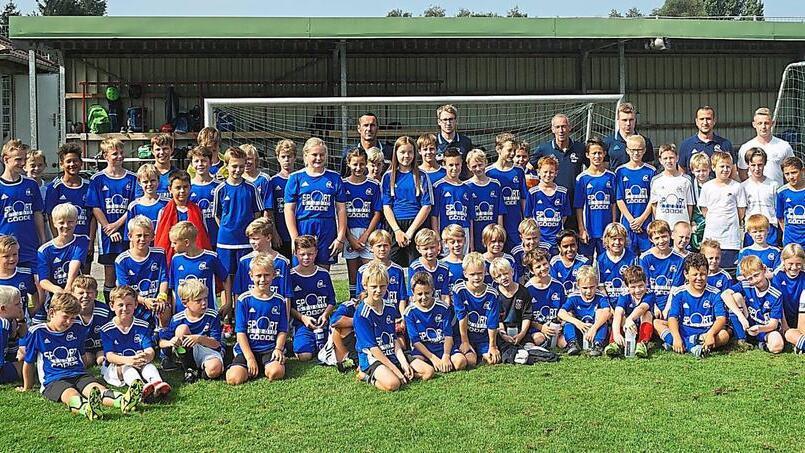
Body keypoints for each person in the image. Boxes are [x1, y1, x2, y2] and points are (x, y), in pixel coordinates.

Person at [19, 293, 142, 420]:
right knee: (70, 393)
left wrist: (85, 372)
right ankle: (86, 409)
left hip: (78, 373)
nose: (69, 322)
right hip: (54, 379)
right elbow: (28, 363)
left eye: (73, 318)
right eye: (65, 317)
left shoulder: (77, 328)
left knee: (95, 388)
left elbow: (81, 354)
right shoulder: (37, 332)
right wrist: (27, 387)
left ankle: (123, 400)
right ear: (52, 313)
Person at [354, 261, 429, 391]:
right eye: (374, 286)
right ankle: (364, 375)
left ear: (387, 285)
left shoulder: (389, 307)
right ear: (365, 285)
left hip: (391, 353)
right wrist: (396, 370)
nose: (379, 290)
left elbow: (393, 339)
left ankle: (402, 374)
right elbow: (374, 349)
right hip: (373, 357)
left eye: (382, 286)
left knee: (428, 371)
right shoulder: (362, 314)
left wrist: (404, 364)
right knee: (393, 384)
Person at [87, 138, 138, 304]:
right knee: (109, 274)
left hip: (127, 232)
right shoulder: (97, 179)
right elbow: (95, 206)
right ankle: (110, 310)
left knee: (129, 272)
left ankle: (130, 307)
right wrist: (108, 228)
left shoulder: (132, 178)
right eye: (114, 153)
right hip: (107, 235)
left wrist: (117, 225)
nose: (119, 157)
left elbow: (133, 206)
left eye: (121, 153)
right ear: (105, 156)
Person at [100, 285, 171, 402]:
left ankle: (157, 383)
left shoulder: (142, 325)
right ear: (112, 306)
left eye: (129, 305)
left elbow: (149, 350)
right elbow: (110, 356)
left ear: (136, 305)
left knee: (148, 365)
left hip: (138, 361)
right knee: (128, 368)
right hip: (116, 366)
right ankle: (140, 388)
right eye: (120, 305)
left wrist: (146, 356)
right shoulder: (107, 329)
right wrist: (129, 360)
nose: (125, 308)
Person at [284, 138, 346, 270]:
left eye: (322, 155)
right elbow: (289, 210)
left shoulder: (334, 178)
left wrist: (340, 237)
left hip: (326, 227)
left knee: (323, 271)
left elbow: (341, 210)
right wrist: (294, 237)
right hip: (303, 226)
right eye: (314, 155)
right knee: (300, 269)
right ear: (306, 155)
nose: (318, 158)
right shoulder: (295, 178)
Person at [226, 254, 288, 385]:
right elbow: (240, 332)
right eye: (258, 275)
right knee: (234, 378)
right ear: (251, 276)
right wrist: (249, 357)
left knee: (276, 372)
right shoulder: (244, 299)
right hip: (248, 349)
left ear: (274, 275)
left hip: (269, 348)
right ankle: (246, 366)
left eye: (267, 275)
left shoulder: (279, 300)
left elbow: (283, 329)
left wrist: (278, 348)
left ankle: (265, 366)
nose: (262, 279)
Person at [661, 253, 730, 358]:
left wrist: (711, 333)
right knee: (657, 323)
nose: (699, 278)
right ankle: (691, 345)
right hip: (684, 331)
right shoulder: (679, 293)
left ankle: (682, 344)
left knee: (724, 335)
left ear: (707, 273)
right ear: (686, 274)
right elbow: (673, 317)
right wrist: (676, 337)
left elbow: (721, 318)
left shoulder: (715, 293)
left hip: (705, 334)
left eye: (703, 274)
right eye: (695, 274)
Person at [159, 279, 224, 383]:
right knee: (182, 329)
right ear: (185, 303)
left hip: (208, 351)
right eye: (198, 301)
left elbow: (216, 344)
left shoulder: (212, 315)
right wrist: (171, 342)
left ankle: (199, 373)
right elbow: (161, 342)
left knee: (214, 369)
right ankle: (188, 368)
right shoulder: (177, 318)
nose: (204, 303)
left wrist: (199, 339)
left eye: (205, 299)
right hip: (188, 351)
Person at [382, 136, 433, 267]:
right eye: (402, 152)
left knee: (417, 266)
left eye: (410, 152)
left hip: (416, 225)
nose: (406, 156)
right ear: (396, 154)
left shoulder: (422, 176)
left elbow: (426, 206)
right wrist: (397, 231)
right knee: (393, 267)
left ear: (415, 154)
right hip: (395, 226)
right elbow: (386, 206)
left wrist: (410, 232)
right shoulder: (388, 177)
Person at [214, 147, 265, 279]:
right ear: (226, 166)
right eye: (234, 166)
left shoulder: (251, 188)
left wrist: (250, 231)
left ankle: (242, 299)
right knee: (226, 276)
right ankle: (228, 301)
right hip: (225, 240)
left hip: (246, 241)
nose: (238, 170)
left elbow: (257, 213)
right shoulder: (220, 189)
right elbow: (217, 215)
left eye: (241, 166)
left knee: (246, 275)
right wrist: (228, 228)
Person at [44, 143, 96, 270]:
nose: (72, 164)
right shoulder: (54, 187)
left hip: (83, 241)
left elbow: (93, 217)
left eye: (75, 161)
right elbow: (51, 217)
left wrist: (91, 241)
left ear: (81, 162)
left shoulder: (89, 186)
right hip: (64, 242)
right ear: (62, 164)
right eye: (68, 161)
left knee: (84, 281)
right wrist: (58, 239)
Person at [404, 271, 465, 373]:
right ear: (412, 293)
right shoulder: (409, 312)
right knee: (417, 364)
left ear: (433, 290)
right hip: (423, 350)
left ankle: (442, 363)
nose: (423, 297)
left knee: (460, 362)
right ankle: (432, 365)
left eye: (427, 293)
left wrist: (446, 356)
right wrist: (433, 358)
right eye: (419, 294)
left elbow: (448, 335)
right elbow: (415, 341)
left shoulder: (443, 307)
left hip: (442, 346)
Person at [530, 114, 588, 221]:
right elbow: (528, 168)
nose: (561, 130)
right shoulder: (544, 149)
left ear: (569, 127)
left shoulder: (580, 148)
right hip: (552, 203)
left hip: (574, 202)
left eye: (564, 126)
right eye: (557, 127)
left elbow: (593, 168)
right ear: (552, 129)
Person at [115, 215, 169, 328]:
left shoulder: (159, 254)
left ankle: (163, 338)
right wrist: (144, 301)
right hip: (135, 302)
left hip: (156, 300)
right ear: (130, 236)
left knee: (165, 308)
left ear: (153, 237)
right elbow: (126, 290)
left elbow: (164, 278)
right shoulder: (122, 260)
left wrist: (162, 297)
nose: (142, 239)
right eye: (138, 235)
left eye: (146, 235)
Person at [721, 256, 784, 353]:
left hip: (764, 328)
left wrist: (760, 328)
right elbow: (725, 294)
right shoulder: (746, 284)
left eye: (756, 275)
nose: (754, 280)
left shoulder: (776, 294)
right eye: (750, 278)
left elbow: (773, 324)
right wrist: (741, 317)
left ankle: (761, 344)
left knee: (777, 345)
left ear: (764, 269)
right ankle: (741, 339)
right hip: (748, 325)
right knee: (736, 296)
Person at [342, 147, 383, 298]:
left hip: (368, 234)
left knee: (369, 272)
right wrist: (349, 238)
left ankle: (370, 301)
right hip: (350, 234)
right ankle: (354, 302)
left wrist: (366, 235)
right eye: (355, 164)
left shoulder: (373, 185)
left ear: (366, 164)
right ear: (348, 164)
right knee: (353, 276)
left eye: (361, 164)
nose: (358, 168)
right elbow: (341, 213)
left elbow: (377, 212)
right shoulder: (343, 184)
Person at [0, 139, 45, 271]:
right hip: (6, 250)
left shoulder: (31, 184)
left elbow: (37, 213)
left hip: (29, 247)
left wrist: (42, 239)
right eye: (18, 159)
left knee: (37, 287)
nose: (22, 163)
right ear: (5, 159)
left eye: (24, 159)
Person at [290, 235, 336, 361]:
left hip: (323, 321)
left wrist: (325, 315)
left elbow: (332, 300)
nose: (306, 258)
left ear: (316, 253)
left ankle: (322, 342)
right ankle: (299, 341)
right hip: (302, 323)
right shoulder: (290, 276)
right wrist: (303, 318)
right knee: (304, 356)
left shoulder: (323, 274)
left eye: (310, 254)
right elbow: (288, 306)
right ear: (296, 253)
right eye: (302, 254)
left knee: (338, 348)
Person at [168, 221, 229, 314]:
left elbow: (225, 277)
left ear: (186, 242)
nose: (172, 246)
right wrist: (173, 312)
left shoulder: (210, 257)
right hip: (182, 313)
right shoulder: (176, 260)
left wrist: (228, 302)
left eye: (174, 243)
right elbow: (173, 289)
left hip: (208, 312)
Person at [698, 151, 747, 266]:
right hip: (712, 236)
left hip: (730, 240)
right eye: (722, 166)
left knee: (729, 271)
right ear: (713, 167)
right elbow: (704, 210)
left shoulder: (737, 187)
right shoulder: (707, 187)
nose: (725, 169)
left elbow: (741, 211)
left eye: (728, 166)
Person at [452, 252, 501, 366]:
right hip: (465, 335)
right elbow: (462, 316)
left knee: (493, 360)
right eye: (472, 274)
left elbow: (492, 322)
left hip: (483, 337)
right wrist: (464, 341)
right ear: (465, 274)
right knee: (470, 361)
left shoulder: (492, 294)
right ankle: (471, 350)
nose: (476, 277)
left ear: (485, 271)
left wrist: (492, 346)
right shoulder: (459, 290)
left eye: (479, 273)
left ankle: (482, 352)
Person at [154, 170, 212, 265]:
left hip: (193, 257)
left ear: (190, 188)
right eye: (178, 187)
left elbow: (203, 235)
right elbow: (159, 237)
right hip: (171, 259)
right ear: (170, 189)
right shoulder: (163, 212)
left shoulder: (198, 211)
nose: (182, 191)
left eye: (185, 187)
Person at [232, 218, 292, 308]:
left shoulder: (282, 262)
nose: (252, 242)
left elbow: (286, 296)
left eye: (256, 239)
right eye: (250, 239)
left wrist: (285, 320)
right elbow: (238, 293)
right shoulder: (244, 262)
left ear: (268, 237)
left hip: (274, 313)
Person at [36, 203, 89, 299]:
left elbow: (75, 263)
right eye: (61, 222)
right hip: (55, 293)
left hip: (75, 291)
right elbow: (43, 281)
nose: (66, 225)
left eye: (70, 222)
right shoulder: (44, 250)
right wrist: (58, 290)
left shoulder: (82, 240)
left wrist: (68, 287)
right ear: (54, 223)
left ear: (76, 221)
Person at [574, 138, 616, 259]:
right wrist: (582, 229)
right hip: (589, 230)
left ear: (604, 154)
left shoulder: (611, 176)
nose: (597, 156)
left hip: (606, 230)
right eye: (594, 153)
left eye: (599, 153)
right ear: (587, 155)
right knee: (586, 262)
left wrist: (612, 225)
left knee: (606, 261)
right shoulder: (582, 178)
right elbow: (579, 206)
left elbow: (613, 204)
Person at [486, 133, 527, 252]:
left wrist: (525, 219)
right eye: (509, 150)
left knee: (516, 253)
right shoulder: (489, 172)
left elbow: (523, 197)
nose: (513, 154)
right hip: (496, 222)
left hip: (515, 221)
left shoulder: (518, 171)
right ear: (498, 149)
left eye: (514, 150)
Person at [558, 265, 611, 356]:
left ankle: (598, 345)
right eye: (585, 288)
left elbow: (608, 312)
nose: (589, 291)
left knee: (602, 316)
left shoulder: (600, 296)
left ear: (596, 284)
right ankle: (572, 344)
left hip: (594, 329)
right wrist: (577, 323)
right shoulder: (573, 297)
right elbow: (561, 313)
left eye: (592, 287)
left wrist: (594, 328)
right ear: (578, 285)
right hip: (580, 328)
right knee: (568, 319)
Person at [603, 265, 654, 358]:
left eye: (641, 286)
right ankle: (614, 343)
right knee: (621, 317)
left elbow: (642, 308)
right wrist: (617, 333)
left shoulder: (649, 294)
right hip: (626, 327)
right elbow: (618, 313)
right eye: (633, 287)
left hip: (641, 325)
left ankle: (642, 343)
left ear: (646, 283)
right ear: (627, 287)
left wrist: (630, 319)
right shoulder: (624, 295)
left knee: (647, 314)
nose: (637, 290)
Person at [615, 135, 654, 254]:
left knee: (647, 256)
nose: (636, 153)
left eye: (639, 149)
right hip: (628, 223)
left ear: (644, 150)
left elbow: (653, 199)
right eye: (633, 150)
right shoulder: (620, 171)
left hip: (645, 223)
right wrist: (632, 220)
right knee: (628, 256)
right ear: (627, 150)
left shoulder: (651, 171)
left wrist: (641, 219)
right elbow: (619, 198)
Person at [356, 230, 409, 319]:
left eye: (385, 245)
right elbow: (361, 297)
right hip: (373, 316)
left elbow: (402, 298)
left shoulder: (398, 270)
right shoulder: (363, 271)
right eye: (379, 246)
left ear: (390, 247)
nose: (382, 249)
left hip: (394, 317)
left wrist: (403, 317)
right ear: (371, 248)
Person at [639, 220, 685, 317]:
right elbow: (645, 286)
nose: (661, 241)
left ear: (670, 235)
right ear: (651, 239)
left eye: (664, 236)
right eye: (657, 238)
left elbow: (676, 287)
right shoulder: (645, 258)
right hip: (651, 302)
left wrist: (667, 309)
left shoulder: (679, 259)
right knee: (646, 316)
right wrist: (654, 306)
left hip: (671, 302)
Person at [525, 155, 569, 256]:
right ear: (539, 172)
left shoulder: (562, 192)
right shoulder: (533, 192)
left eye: (551, 172)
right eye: (545, 172)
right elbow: (528, 217)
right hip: (539, 240)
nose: (548, 175)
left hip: (556, 240)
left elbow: (564, 215)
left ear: (556, 173)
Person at [737, 107, 794, 185]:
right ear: (754, 124)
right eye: (760, 123)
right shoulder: (746, 147)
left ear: (772, 123)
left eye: (766, 123)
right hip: (753, 195)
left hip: (777, 193)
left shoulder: (784, 146)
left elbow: (792, 170)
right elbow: (742, 173)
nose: (763, 127)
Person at [523, 249, 566, 349]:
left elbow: (565, 310)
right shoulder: (527, 289)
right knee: (539, 339)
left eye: (545, 264)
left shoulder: (558, 286)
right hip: (537, 328)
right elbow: (525, 317)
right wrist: (541, 328)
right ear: (531, 270)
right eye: (538, 267)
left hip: (556, 326)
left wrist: (561, 325)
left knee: (563, 343)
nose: (543, 268)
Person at [432, 148, 473, 249]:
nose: (454, 168)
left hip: (464, 234)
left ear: (461, 164)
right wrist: (437, 238)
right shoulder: (438, 187)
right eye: (451, 165)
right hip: (446, 233)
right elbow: (434, 216)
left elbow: (471, 218)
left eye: (457, 164)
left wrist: (471, 242)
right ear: (444, 164)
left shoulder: (467, 188)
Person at [465, 149, 504, 253]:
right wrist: (471, 242)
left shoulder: (495, 184)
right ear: (468, 167)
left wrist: (500, 236)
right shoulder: (466, 186)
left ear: (486, 163)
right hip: (476, 234)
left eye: (480, 164)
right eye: (474, 166)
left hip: (492, 237)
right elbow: (469, 218)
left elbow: (500, 213)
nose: (478, 168)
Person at [650, 143, 695, 232]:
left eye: (671, 158)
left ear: (677, 158)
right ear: (660, 160)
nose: (669, 161)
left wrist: (687, 222)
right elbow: (654, 205)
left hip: (681, 227)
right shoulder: (656, 180)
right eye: (665, 158)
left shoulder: (686, 180)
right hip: (663, 227)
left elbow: (689, 205)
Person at [490, 257, 533, 349]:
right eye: (499, 276)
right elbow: (498, 319)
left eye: (506, 273)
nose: (503, 277)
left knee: (533, 345)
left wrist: (522, 334)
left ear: (512, 272)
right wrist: (503, 334)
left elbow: (527, 315)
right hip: (503, 332)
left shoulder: (523, 291)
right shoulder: (495, 295)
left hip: (521, 329)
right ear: (494, 279)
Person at [741, 147, 781, 246]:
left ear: (765, 164)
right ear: (748, 165)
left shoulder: (774, 185)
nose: (757, 168)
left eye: (760, 165)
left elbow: (778, 210)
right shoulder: (743, 186)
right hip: (751, 229)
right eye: (753, 165)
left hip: (770, 229)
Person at [678, 106, 735, 173]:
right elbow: (682, 171)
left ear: (714, 121)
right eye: (702, 119)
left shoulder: (725, 144)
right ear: (696, 121)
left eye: (708, 119)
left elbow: (733, 170)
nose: (705, 122)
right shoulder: (686, 145)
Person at [266, 139, 297, 260]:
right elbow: (269, 211)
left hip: (297, 232)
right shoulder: (273, 182)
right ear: (278, 158)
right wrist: (274, 233)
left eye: (289, 156)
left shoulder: (299, 178)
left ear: (295, 157)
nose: (286, 160)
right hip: (280, 234)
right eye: (283, 156)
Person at [72, 275, 111, 367]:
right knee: (86, 361)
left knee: (103, 360)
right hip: (82, 349)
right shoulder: (70, 314)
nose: (85, 296)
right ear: (72, 294)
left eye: (89, 292)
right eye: (81, 293)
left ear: (96, 294)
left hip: (101, 347)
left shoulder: (104, 311)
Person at [603, 102, 655, 169]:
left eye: (631, 120)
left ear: (635, 120)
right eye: (624, 120)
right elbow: (604, 169)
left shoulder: (645, 142)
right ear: (618, 120)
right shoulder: (608, 142)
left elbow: (649, 167)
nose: (628, 123)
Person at [188, 145, 219, 246]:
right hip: (196, 239)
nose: (200, 164)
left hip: (216, 237)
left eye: (203, 160)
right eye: (196, 161)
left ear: (210, 162)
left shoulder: (219, 186)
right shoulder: (188, 187)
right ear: (192, 164)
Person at [408, 229, 450, 303]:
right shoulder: (415, 268)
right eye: (425, 249)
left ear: (438, 246)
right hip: (421, 307)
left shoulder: (444, 268)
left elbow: (445, 296)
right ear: (418, 249)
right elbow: (413, 297)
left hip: (439, 308)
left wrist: (445, 310)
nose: (430, 252)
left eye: (432, 247)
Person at [596, 223, 636, 300]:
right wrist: (608, 305)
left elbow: (635, 286)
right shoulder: (600, 260)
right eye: (614, 239)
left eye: (620, 239)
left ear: (625, 240)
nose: (617, 242)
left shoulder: (633, 259)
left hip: (628, 302)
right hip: (607, 303)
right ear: (607, 239)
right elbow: (600, 286)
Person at [0, 235, 38, 318]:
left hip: (22, 323)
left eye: (15, 254)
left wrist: (31, 309)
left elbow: (33, 294)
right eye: (6, 256)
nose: (12, 259)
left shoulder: (26, 274)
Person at [777, 244, 805, 352]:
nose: (794, 267)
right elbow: (778, 303)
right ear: (783, 261)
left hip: (802, 318)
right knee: (789, 334)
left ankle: (800, 344)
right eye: (790, 264)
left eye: (798, 264)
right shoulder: (778, 277)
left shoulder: (803, 277)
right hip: (785, 319)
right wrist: (784, 325)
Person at [126, 164, 168, 235]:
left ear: (158, 180)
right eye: (145, 182)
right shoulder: (134, 206)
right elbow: (130, 235)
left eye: (153, 180)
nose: (149, 184)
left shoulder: (167, 203)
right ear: (139, 182)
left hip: (161, 245)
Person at [136, 134, 176, 200]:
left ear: (172, 150)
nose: (162, 152)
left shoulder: (178, 174)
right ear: (152, 151)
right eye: (158, 149)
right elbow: (139, 201)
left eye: (165, 149)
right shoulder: (144, 174)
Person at [435, 104, 473, 173]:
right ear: (439, 122)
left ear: (456, 121)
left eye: (451, 119)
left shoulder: (466, 142)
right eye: (445, 120)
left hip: (461, 181)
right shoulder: (433, 142)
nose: (448, 123)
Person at [776, 156, 805, 248]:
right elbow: (780, 218)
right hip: (790, 242)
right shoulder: (781, 192)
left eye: (794, 172)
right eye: (787, 174)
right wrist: (787, 234)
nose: (791, 177)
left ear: (803, 171)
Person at [550, 229, 589, 294]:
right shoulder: (554, 262)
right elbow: (553, 286)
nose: (569, 249)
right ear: (559, 247)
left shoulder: (584, 262)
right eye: (565, 246)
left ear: (577, 245)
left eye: (572, 245)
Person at [0, 286, 24, 384]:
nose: (21, 306)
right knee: (25, 366)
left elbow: (9, 356)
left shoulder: (9, 323)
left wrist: (13, 336)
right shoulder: (3, 324)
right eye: (17, 304)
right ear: (3, 308)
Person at [689, 152, 711, 251]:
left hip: (710, 222)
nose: (701, 174)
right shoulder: (690, 185)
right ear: (692, 171)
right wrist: (691, 221)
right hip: (695, 223)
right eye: (698, 171)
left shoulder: (714, 185)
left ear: (709, 170)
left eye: (704, 170)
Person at [240, 143, 271, 211]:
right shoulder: (237, 180)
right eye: (244, 159)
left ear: (256, 160)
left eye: (249, 159)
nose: (246, 162)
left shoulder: (264, 179)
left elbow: (268, 207)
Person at [510, 218, 541, 283]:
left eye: (535, 238)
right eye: (528, 239)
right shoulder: (517, 252)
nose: (532, 242)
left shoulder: (545, 249)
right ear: (521, 237)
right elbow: (518, 274)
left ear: (539, 235)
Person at [442, 224, 467, 292]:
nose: (456, 245)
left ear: (464, 240)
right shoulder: (442, 265)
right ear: (446, 243)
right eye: (452, 242)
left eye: (459, 241)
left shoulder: (470, 262)